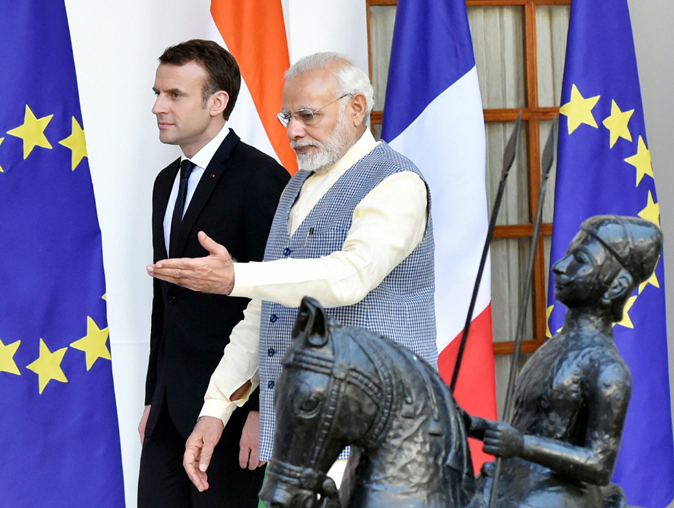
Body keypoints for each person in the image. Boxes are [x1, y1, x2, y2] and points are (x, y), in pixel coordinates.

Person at [147, 52, 437, 492]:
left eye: (308, 115)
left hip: (379, 444)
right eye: (288, 117)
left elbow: (349, 277)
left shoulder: (397, 182)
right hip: (301, 442)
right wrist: (216, 409)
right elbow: (266, 312)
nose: (293, 131)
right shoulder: (297, 186)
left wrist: (234, 278)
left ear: (357, 108)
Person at [138, 39, 290, 508]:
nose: (158, 106)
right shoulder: (166, 182)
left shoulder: (262, 178)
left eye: (175, 95)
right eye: (158, 93)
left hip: (231, 410)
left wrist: (265, 409)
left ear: (217, 102)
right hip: (168, 407)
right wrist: (152, 395)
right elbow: (166, 299)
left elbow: (282, 297)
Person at [466, 215, 662, 508]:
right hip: (510, 479)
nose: (560, 266)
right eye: (568, 254)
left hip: (553, 495)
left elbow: (599, 464)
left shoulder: (607, 368)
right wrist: (471, 423)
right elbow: (530, 426)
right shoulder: (553, 348)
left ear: (616, 285)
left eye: (579, 260)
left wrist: (520, 445)